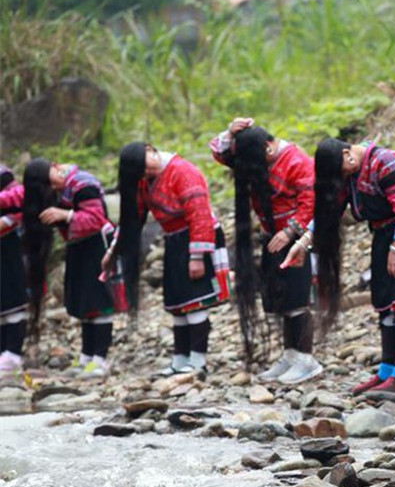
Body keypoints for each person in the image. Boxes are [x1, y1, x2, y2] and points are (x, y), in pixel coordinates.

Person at [283, 137, 395, 396]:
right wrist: (302, 243)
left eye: (341, 171)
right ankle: (386, 372)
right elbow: (328, 213)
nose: (342, 176)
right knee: (385, 304)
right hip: (383, 234)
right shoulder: (350, 171)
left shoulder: (385, 162)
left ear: (348, 155)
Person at [210, 118, 323, 384]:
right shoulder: (254, 155)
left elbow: (312, 203)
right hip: (271, 236)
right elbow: (219, 153)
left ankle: (307, 360)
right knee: (280, 301)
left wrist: (289, 232)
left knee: (297, 299)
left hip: (296, 239)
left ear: (269, 148)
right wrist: (229, 132)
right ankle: (290, 355)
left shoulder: (297, 162)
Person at [106, 143, 230, 378]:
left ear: (151, 150)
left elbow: (199, 213)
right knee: (178, 304)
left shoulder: (183, 171)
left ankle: (198, 363)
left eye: (148, 165)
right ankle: (179, 360)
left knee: (195, 301)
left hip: (197, 237)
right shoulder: (145, 181)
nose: (148, 172)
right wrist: (113, 251)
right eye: (142, 171)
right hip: (174, 240)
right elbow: (131, 218)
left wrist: (197, 257)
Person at [22, 159, 126, 379]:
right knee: (84, 303)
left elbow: (96, 219)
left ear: (56, 166)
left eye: (52, 182)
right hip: (79, 246)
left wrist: (66, 216)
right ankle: (86, 358)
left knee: (100, 302)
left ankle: (100, 360)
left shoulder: (83, 184)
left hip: (97, 246)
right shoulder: (63, 189)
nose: (55, 188)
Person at [0, 165, 28, 376]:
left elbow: (20, 199)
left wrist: (6, 221)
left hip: (7, 248)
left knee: (13, 302)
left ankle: (13, 354)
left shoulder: (4, 176)